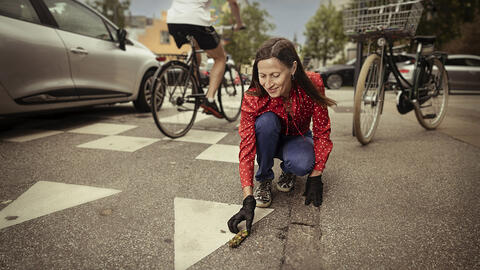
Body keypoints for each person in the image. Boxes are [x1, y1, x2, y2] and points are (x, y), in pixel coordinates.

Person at [228, 37, 336, 234]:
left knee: (302, 164)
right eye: (262, 76)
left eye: (275, 75)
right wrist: (247, 198)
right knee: (266, 122)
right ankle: (265, 179)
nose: (268, 84)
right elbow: (247, 147)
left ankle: (289, 170)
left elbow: (322, 132)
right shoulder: (254, 96)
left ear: (293, 68)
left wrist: (316, 175)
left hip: (298, 137)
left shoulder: (312, 83)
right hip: (267, 139)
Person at [166, 0, 245, 119]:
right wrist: (239, 24)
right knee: (220, 58)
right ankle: (210, 99)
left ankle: (195, 89)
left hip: (173, 20)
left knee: (195, 48)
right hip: (195, 20)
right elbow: (233, 3)